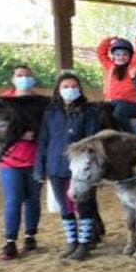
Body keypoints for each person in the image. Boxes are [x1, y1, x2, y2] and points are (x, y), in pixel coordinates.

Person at [34, 71, 101, 261]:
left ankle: (85, 243)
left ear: (79, 89)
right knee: (65, 206)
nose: (70, 90)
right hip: (55, 164)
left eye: (74, 87)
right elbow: (44, 139)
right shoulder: (51, 112)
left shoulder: (89, 111)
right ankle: (72, 241)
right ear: (58, 90)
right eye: (65, 87)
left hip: (80, 167)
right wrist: (40, 167)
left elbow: (92, 139)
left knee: (84, 204)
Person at [0, 65, 43, 260]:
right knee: (13, 200)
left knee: (33, 200)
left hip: (35, 160)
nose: (23, 78)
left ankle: (30, 236)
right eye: (19, 75)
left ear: (33, 79)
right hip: (9, 160)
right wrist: (20, 134)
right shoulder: (2, 101)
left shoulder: (41, 102)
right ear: (13, 78)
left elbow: (47, 128)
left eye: (27, 76)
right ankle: (10, 241)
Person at [97, 36, 136, 129]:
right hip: (111, 102)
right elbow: (101, 54)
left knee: (118, 114)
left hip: (129, 103)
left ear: (130, 56)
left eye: (125, 54)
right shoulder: (110, 67)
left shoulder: (133, 67)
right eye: (118, 54)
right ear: (114, 56)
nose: (121, 57)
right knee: (100, 114)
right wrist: (108, 41)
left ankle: (129, 135)